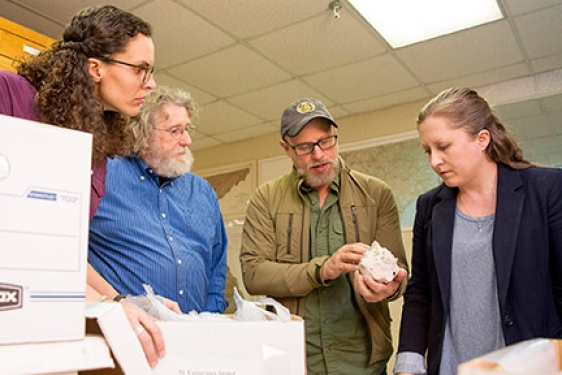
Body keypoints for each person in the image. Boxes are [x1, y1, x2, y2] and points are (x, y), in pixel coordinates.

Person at [0, 5, 170, 368]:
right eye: (140, 69)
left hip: (41, 327)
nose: (151, 83)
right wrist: (105, 306)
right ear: (96, 68)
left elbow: (65, 251)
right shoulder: (9, 94)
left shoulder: (97, 147)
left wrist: (123, 301)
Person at [394, 87, 562, 375]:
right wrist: (407, 365)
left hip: (526, 367)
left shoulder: (546, 190)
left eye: (443, 147)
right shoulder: (430, 207)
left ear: (482, 139)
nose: (434, 161)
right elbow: (420, 292)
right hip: (450, 366)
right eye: (427, 151)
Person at [239, 98, 409, 375]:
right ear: (286, 148)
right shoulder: (266, 199)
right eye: (305, 147)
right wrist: (322, 270)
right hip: (292, 359)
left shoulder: (376, 193)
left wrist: (391, 287)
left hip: (362, 361)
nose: (318, 154)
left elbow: (399, 272)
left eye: (326, 141)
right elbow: (254, 275)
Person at [89, 85, 229, 315]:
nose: (187, 141)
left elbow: (216, 269)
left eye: (187, 129)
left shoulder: (202, 192)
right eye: (175, 131)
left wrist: (210, 321)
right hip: (127, 330)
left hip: (195, 334)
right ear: (142, 135)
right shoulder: (104, 174)